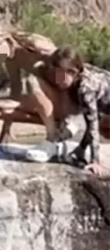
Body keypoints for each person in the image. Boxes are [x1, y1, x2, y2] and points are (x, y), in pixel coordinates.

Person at [0, 22, 72, 145]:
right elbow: (16, 91)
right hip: (46, 100)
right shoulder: (10, 60)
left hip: (66, 95)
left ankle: (52, 135)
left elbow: (66, 66)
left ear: (5, 40)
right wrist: (6, 130)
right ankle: (55, 124)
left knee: (32, 82)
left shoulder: (34, 45)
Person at [35, 47, 110, 176]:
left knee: (104, 128)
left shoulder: (85, 89)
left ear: (73, 72)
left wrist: (95, 161)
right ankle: (80, 150)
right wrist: (81, 149)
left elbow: (93, 125)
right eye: (55, 74)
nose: (57, 80)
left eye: (61, 75)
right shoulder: (78, 76)